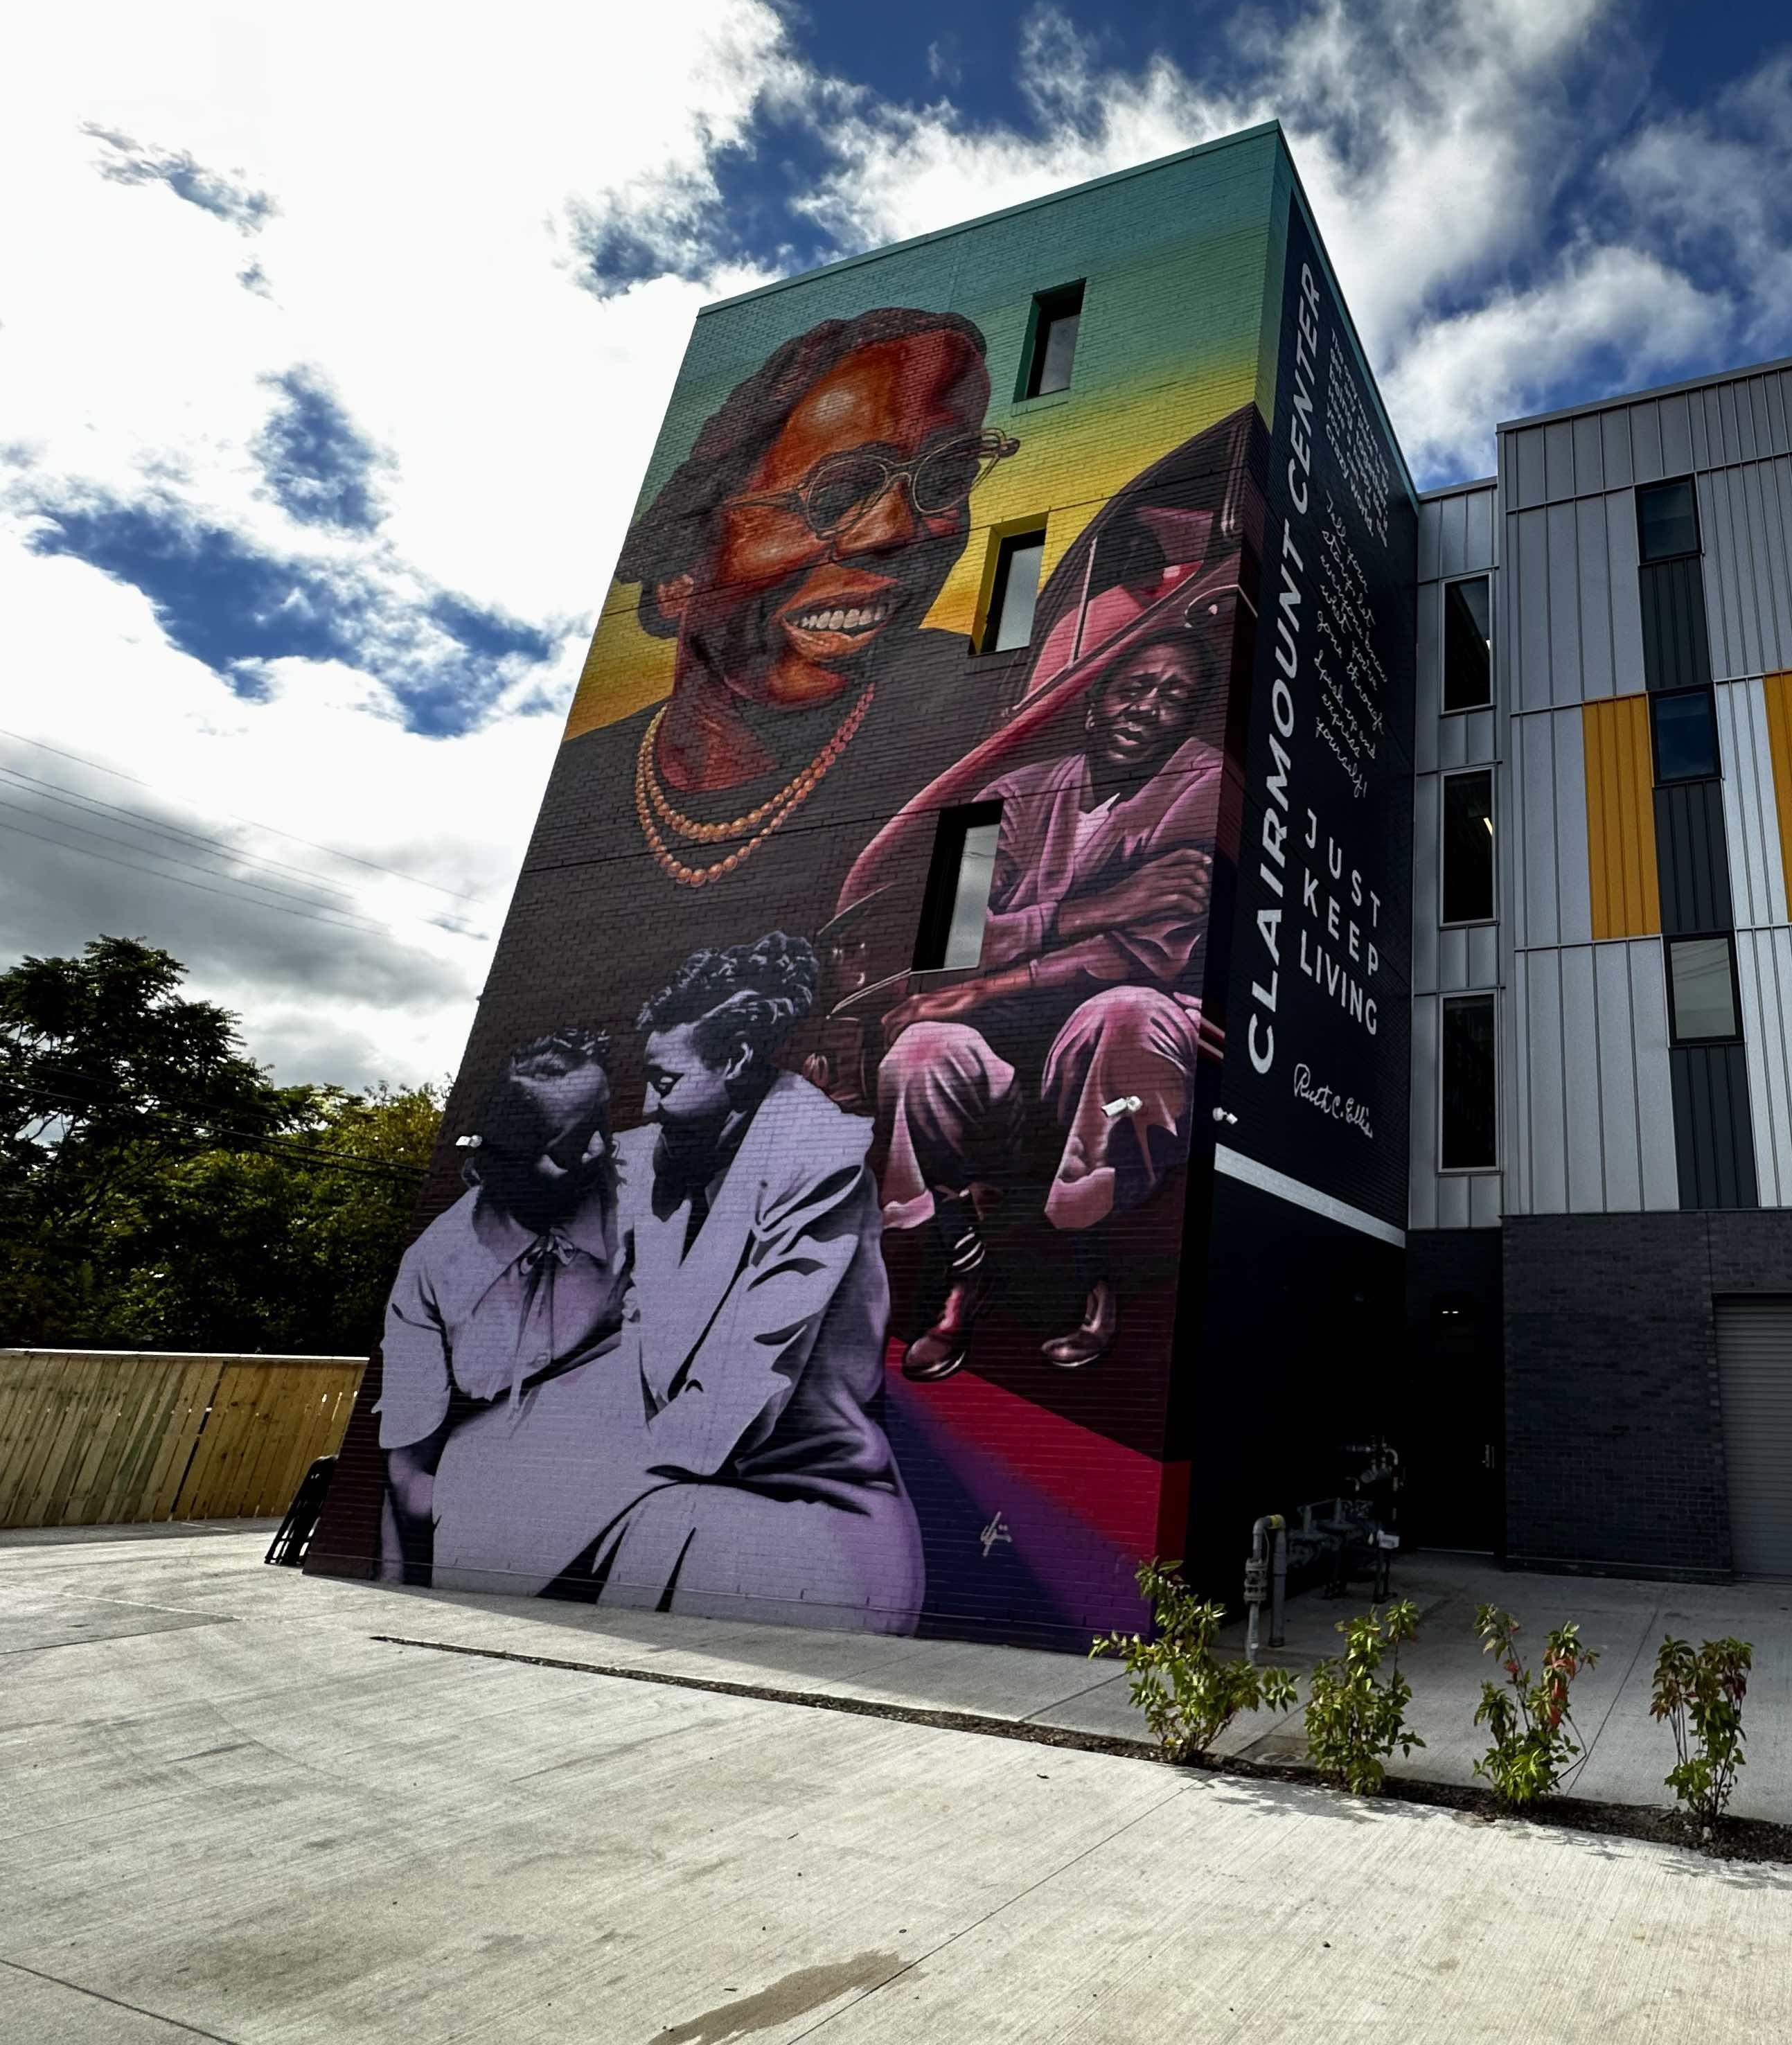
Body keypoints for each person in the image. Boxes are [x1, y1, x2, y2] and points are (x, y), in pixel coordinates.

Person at [440, 308, 1018, 1162]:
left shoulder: (982, 718)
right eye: (841, 489)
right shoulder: (577, 807)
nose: (899, 530)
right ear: (679, 573)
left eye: (943, 475)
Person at [874, 619, 1232, 1376]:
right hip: (1000, 1044)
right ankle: (964, 1274)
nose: (1147, 707)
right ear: (1096, 701)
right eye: (1134, 688)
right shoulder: (1007, 792)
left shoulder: (1204, 786)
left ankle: (1089, 1268)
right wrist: (1099, 905)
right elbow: (947, 936)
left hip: (1109, 1054)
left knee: (1126, 1011)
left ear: (1195, 716)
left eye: (1175, 697)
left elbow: (1138, 954)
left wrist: (989, 975)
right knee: (919, 1053)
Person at [586, 932, 925, 1634]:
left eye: (668, 1082)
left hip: (806, 1517)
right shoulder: (653, 1154)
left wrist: (576, 1466)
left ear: (737, 1060)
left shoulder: (820, 1163)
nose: (647, 1104)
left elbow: (736, 1396)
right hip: (671, 1491)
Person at [371, 1030, 628, 1588]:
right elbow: (411, 1471)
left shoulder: (648, 1205)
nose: (599, 1151)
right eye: (571, 1142)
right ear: (508, 1159)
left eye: (601, 1126)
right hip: (498, 1518)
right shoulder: (435, 1267)